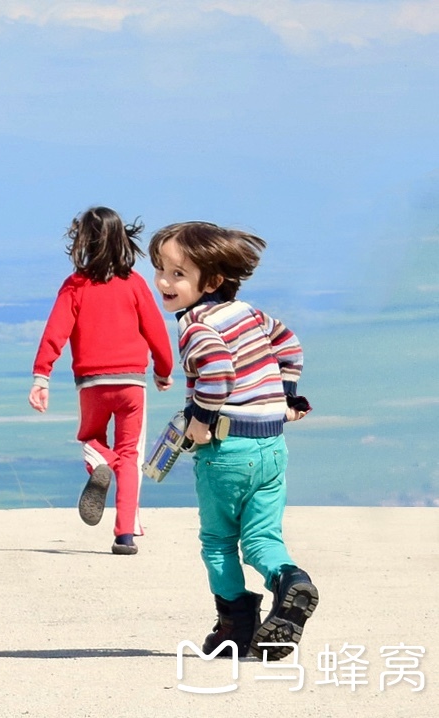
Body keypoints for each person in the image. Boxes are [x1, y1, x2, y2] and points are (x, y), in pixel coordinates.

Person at [148, 221, 317, 661]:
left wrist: (201, 420)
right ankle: (290, 580)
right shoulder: (249, 314)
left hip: (226, 452)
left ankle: (235, 626)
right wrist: (288, 394)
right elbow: (289, 342)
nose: (164, 282)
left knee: (219, 542)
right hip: (272, 446)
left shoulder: (195, 325)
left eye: (178, 274)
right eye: (161, 269)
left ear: (213, 281)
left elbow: (218, 370)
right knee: (262, 535)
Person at [29, 206, 175, 555]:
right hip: (131, 385)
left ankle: (99, 462)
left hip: (92, 384)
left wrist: (41, 376)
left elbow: (55, 332)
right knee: (130, 456)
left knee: (94, 439)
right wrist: (163, 371)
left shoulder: (74, 286)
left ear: (82, 241)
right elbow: (156, 332)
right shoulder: (136, 284)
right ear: (122, 240)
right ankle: (124, 535)